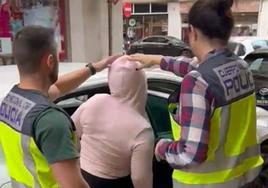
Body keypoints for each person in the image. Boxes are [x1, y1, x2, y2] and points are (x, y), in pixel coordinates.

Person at [130, 0, 263, 187]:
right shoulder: (241, 67)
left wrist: (162, 147)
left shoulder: (197, 82)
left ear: (191, 31)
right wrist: (157, 60)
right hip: (245, 178)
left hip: (206, 183)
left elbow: (189, 155)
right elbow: (201, 69)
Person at [0, 26, 116, 188]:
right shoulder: (51, 121)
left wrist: (94, 68)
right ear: (50, 61)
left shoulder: (10, 100)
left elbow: (58, 88)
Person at [71, 56, 154, 188]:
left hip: (79, 177)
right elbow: (140, 178)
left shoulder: (95, 101)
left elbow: (71, 132)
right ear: (141, 85)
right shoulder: (142, 129)